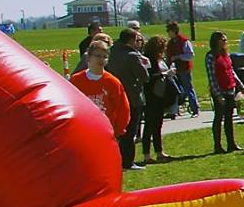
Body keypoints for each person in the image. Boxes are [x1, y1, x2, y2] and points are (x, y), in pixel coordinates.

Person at [68, 41, 133, 160]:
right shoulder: (76, 81)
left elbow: (123, 109)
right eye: (98, 56)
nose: (101, 60)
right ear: (89, 57)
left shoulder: (112, 82)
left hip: (105, 132)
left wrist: (117, 131)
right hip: (84, 131)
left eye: (104, 56)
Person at [106, 29, 150, 170]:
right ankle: (128, 162)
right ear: (130, 40)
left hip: (114, 95)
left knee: (118, 129)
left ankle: (117, 159)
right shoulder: (132, 56)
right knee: (130, 131)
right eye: (137, 40)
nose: (138, 43)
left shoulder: (111, 53)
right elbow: (144, 76)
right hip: (132, 96)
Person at [204, 30, 240, 153]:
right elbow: (212, 77)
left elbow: (231, 71)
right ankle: (217, 146)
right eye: (222, 40)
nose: (225, 42)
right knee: (219, 118)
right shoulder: (211, 56)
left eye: (225, 39)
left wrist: (241, 85)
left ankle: (232, 144)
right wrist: (218, 95)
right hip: (220, 91)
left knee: (229, 119)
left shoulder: (226, 55)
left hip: (230, 89)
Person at [139, 35, 174, 162]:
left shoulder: (160, 59)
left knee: (158, 124)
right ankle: (146, 155)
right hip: (150, 96)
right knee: (149, 125)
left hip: (159, 95)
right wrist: (165, 74)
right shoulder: (149, 60)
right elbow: (149, 78)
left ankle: (159, 152)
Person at [165, 21, 199, 116]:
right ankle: (173, 110)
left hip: (184, 69)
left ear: (174, 31)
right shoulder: (171, 43)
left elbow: (190, 55)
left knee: (188, 88)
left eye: (169, 31)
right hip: (174, 70)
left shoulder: (184, 41)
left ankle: (195, 109)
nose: (168, 33)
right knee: (175, 90)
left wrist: (178, 57)